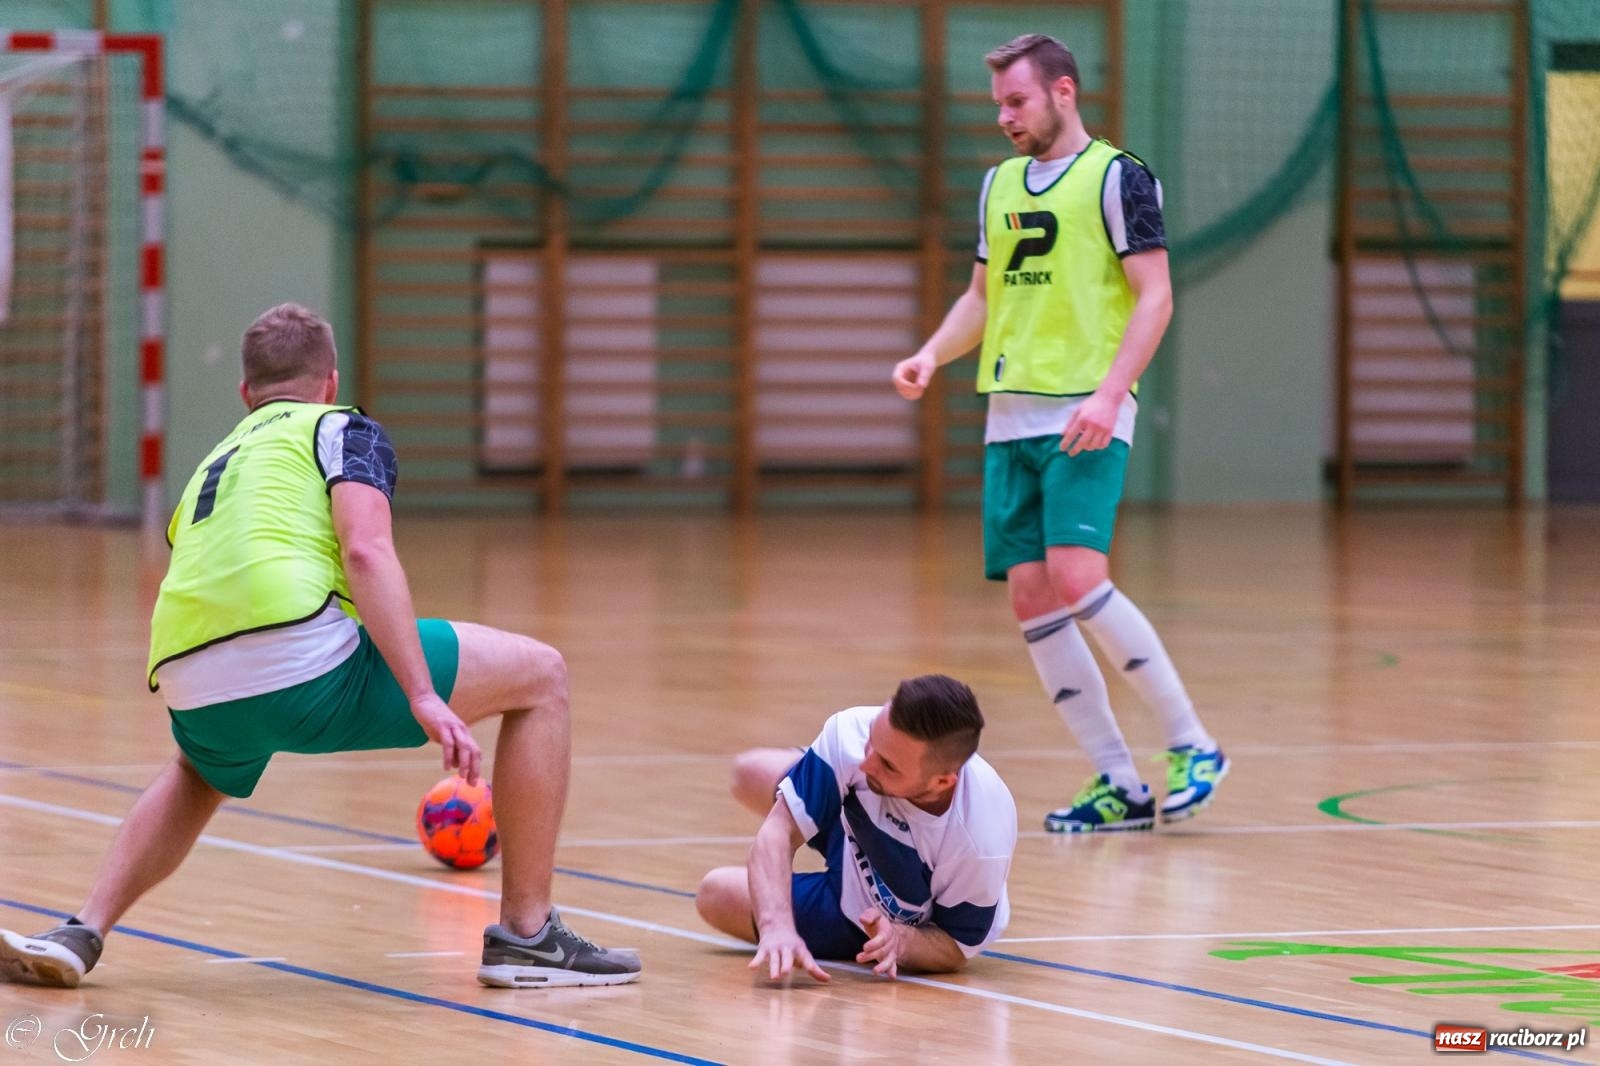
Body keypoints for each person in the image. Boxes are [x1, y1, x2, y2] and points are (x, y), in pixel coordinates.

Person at [0, 303, 640, 990]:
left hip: (188, 681)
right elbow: (365, 550)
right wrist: (422, 693)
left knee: (198, 773)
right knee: (542, 676)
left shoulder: (218, 457)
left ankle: (83, 928)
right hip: (299, 663)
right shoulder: (341, 428)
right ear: (330, 383)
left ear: (246, 394)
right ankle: (529, 936)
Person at [892, 34, 1228, 833]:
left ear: (1063, 92)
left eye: (1018, 101)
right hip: (1010, 415)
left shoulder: (1118, 177)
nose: (1005, 117)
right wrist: (932, 353)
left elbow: (1155, 297)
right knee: (1032, 596)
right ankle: (1118, 780)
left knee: (1078, 576)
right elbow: (982, 296)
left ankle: (1192, 742)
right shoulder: (999, 184)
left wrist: (1111, 395)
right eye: (998, 105)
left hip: (1084, 405)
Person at [695, 675, 1015, 981]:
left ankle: (814, 790)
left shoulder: (981, 840)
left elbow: (954, 949)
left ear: (942, 782)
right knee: (748, 771)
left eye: (888, 764)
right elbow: (779, 830)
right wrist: (776, 926)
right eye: (872, 741)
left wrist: (900, 941)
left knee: (715, 894)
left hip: (862, 913)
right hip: (852, 822)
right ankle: (818, 789)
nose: (866, 764)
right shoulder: (852, 731)